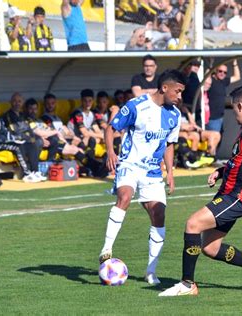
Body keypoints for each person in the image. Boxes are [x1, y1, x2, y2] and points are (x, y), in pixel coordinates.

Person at [158, 85, 242, 296]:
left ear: (240, 106)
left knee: (192, 224)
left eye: (233, 108)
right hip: (227, 193)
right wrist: (220, 172)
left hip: (239, 197)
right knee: (210, 248)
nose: (233, 113)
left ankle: (188, 284)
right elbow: (241, 160)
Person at [98, 69, 187, 285]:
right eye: (178, 91)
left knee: (159, 214)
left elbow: (169, 145)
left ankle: (150, 272)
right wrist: (111, 151)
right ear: (165, 88)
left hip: (152, 172)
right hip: (129, 164)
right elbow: (111, 128)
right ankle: (107, 249)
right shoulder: (136, 105)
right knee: (125, 197)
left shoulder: (174, 114)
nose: (180, 96)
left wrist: (170, 173)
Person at [0, 95, 41, 183]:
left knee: (30, 144)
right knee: (16, 147)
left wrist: (14, 138)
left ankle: (35, 171)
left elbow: (4, 131)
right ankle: (26, 174)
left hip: (2, 141)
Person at [3, 93, 45, 180]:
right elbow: (14, 131)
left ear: (22, 103)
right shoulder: (7, 115)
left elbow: (30, 128)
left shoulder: (24, 116)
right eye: (14, 101)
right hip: (15, 141)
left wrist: (32, 137)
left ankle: (35, 172)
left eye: (19, 101)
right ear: (10, 102)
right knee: (25, 143)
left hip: (26, 140)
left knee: (36, 142)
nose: (17, 103)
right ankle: (27, 173)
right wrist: (29, 138)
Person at [206, 59, 241, 133]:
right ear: (215, 71)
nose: (222, 74)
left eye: (225, 72)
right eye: (220, 71)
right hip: (211, 118)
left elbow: (237, 77)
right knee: (213, 141)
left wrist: (234, 63)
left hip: (219, 117)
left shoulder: (223, 81)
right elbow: (206, 78)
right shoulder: (210, 80)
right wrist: (210, 66)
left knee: (217, 140)